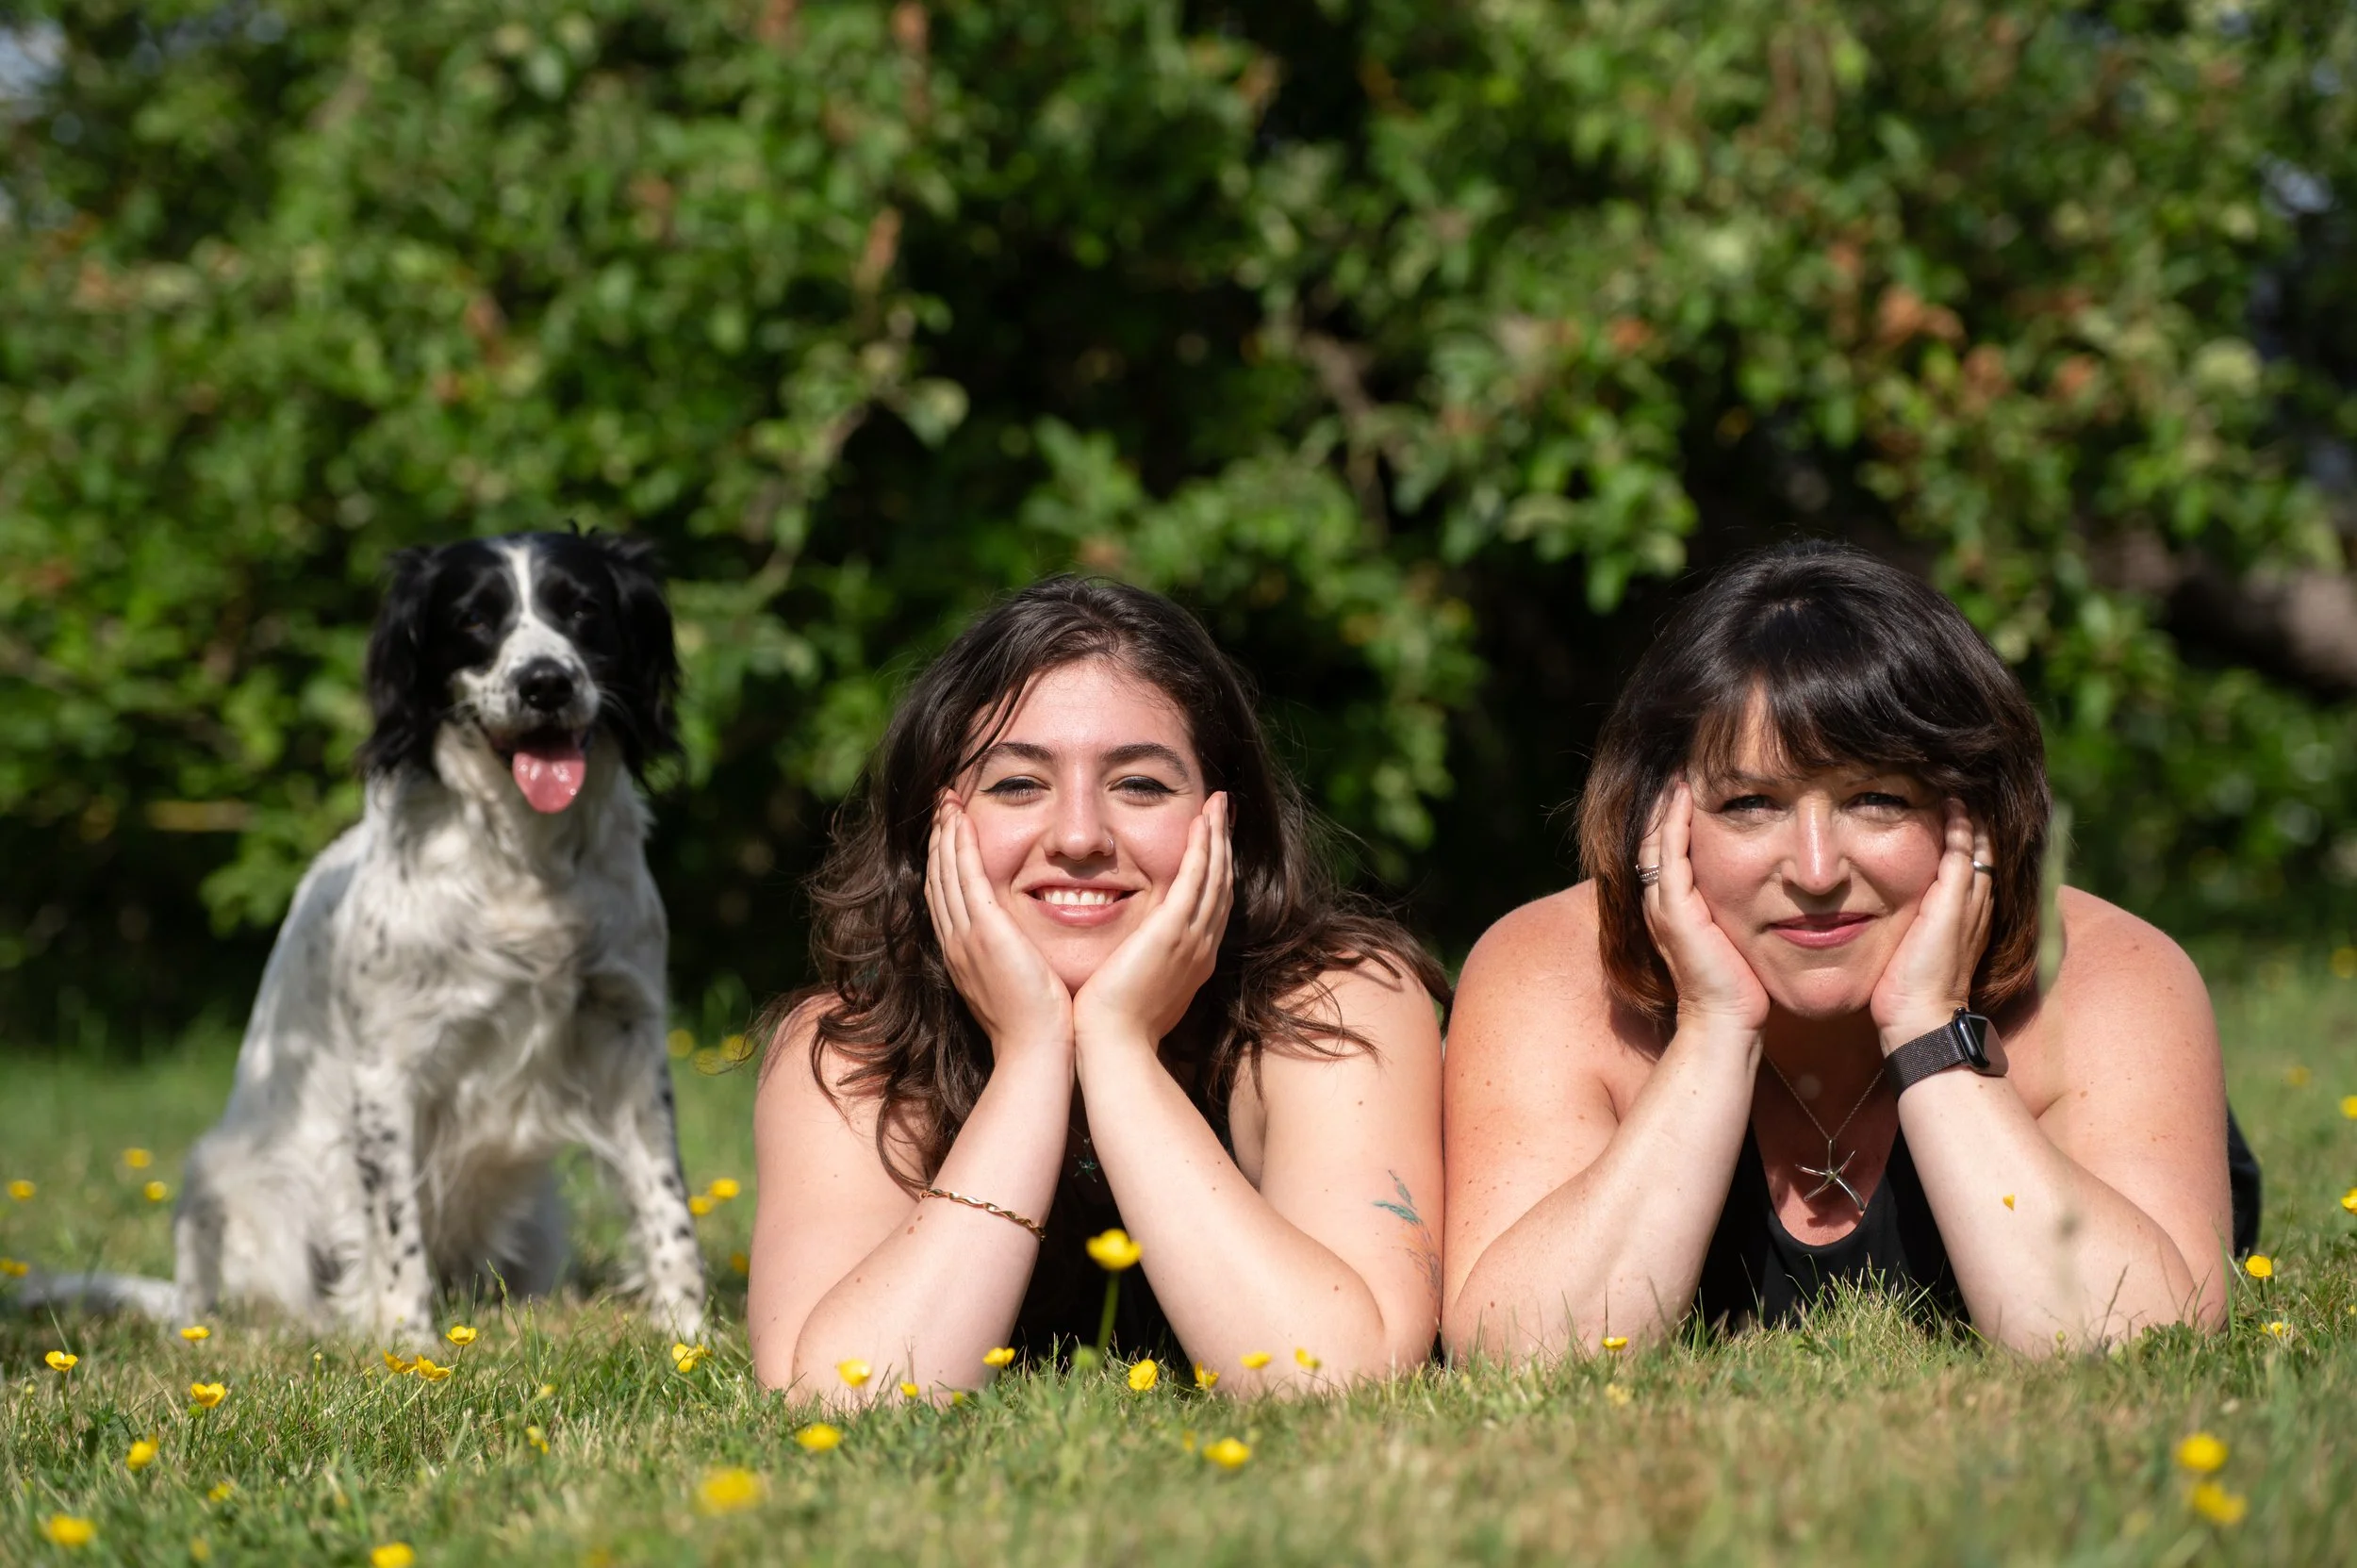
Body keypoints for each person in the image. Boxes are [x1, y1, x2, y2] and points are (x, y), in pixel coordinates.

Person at [1442, 541, 2259, 1360]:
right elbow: (1523, 1349)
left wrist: (1930, 1028)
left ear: (1973, 811)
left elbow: (2138, 1337)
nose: (1817, 869)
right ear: (1655, 819)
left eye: (1876, 799)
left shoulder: (2107, 977)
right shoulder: (1547, 975)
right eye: (1751, 803)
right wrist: (1715, 1029)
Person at [748, 576, 1447, 1401]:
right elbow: (842, 1397)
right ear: (936, 824)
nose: (1079, 836)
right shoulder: (852, 1050)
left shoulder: (1336, 1002)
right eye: (1017, 784)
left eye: (1141, 784)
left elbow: (1334, 1379)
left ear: (1227, 822)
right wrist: (1031, 1052)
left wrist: (1117, 1045)